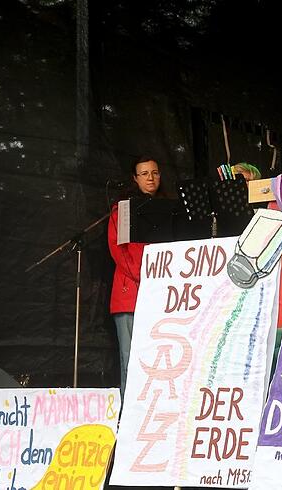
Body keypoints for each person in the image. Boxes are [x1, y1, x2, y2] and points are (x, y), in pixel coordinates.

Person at [108, 156, 160, 397]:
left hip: (159, 296)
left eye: (155, 172)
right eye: (144, 173)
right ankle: (126, 420)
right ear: (135, 178)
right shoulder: (124, 210)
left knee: (157, 360)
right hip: (131, 294)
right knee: (130, 360)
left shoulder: (166, 209)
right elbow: (119, 250)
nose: (150, 178)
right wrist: (147, 276)